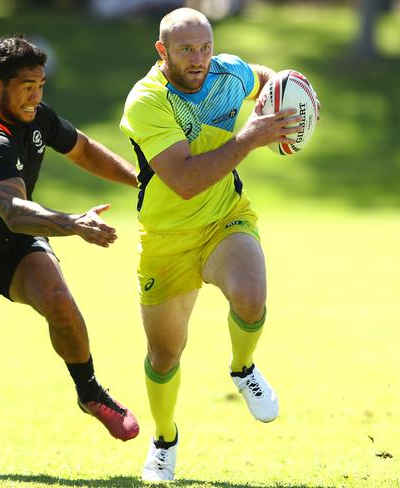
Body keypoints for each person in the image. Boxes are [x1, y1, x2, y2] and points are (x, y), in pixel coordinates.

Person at [0, 35, 140, 471]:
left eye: (41, 84)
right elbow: (15, 211)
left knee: (58, 298)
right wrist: (74, 223)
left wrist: (140, 180)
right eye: (27, 86)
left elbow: (83, 149)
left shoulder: (37, 117)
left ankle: (90, 393)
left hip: (14, 246)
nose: (36, 95)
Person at [120, 8, 310, 481]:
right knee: (165, 354)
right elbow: (184, 180)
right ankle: (164, 440)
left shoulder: (226, 70)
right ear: (162, 52)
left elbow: (266, 78)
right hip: (166, 238)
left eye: (205, 47)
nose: (200, 59)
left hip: (225, 217)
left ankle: (243, 368)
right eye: (187, 50)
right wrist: (250, 137)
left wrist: (284, 102)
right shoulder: (147, 101)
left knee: (251, 296)